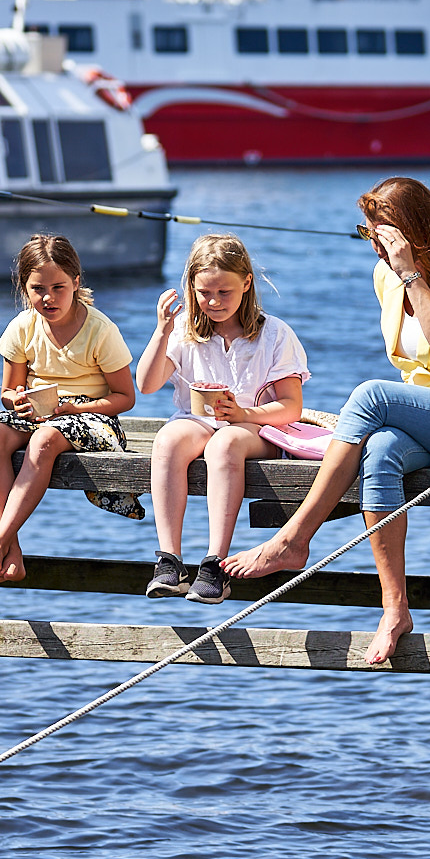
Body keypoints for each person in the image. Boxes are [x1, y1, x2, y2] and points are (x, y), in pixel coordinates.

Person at [226, 177, 430, 665]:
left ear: (414, 231)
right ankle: (395, 609)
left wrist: (411, 274)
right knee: (382, 449)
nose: (374, 243)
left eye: (383, 232)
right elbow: (411, 372)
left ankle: (293, 539)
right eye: (367, 231)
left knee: (370, 395)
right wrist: (396, 272)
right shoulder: (383, 275)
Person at [135, 233, 309, 604]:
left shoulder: (274, 334)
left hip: (259, 426)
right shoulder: (184, 332)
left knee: (224, 442)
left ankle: (214, 563)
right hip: (197, 420)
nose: (213, 302)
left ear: (246, 282)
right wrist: (163, 330)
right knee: (166, 440)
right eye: (203, 293)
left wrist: (245, 413)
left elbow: (291, 406)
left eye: (224, 293)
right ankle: (169, 560)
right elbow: (147, 385)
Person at [0, 234, 138, 583]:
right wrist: (14, 400)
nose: (48, 297)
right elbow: (8, 390)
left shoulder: (100, 329)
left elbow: (125, 397)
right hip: (39, 410)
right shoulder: (22, 326)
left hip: (92, 416)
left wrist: (74, 410)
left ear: (76, 283)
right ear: (24, 287)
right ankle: (11, 550)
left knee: (45, 440)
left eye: (59, 287)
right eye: (38, 288)